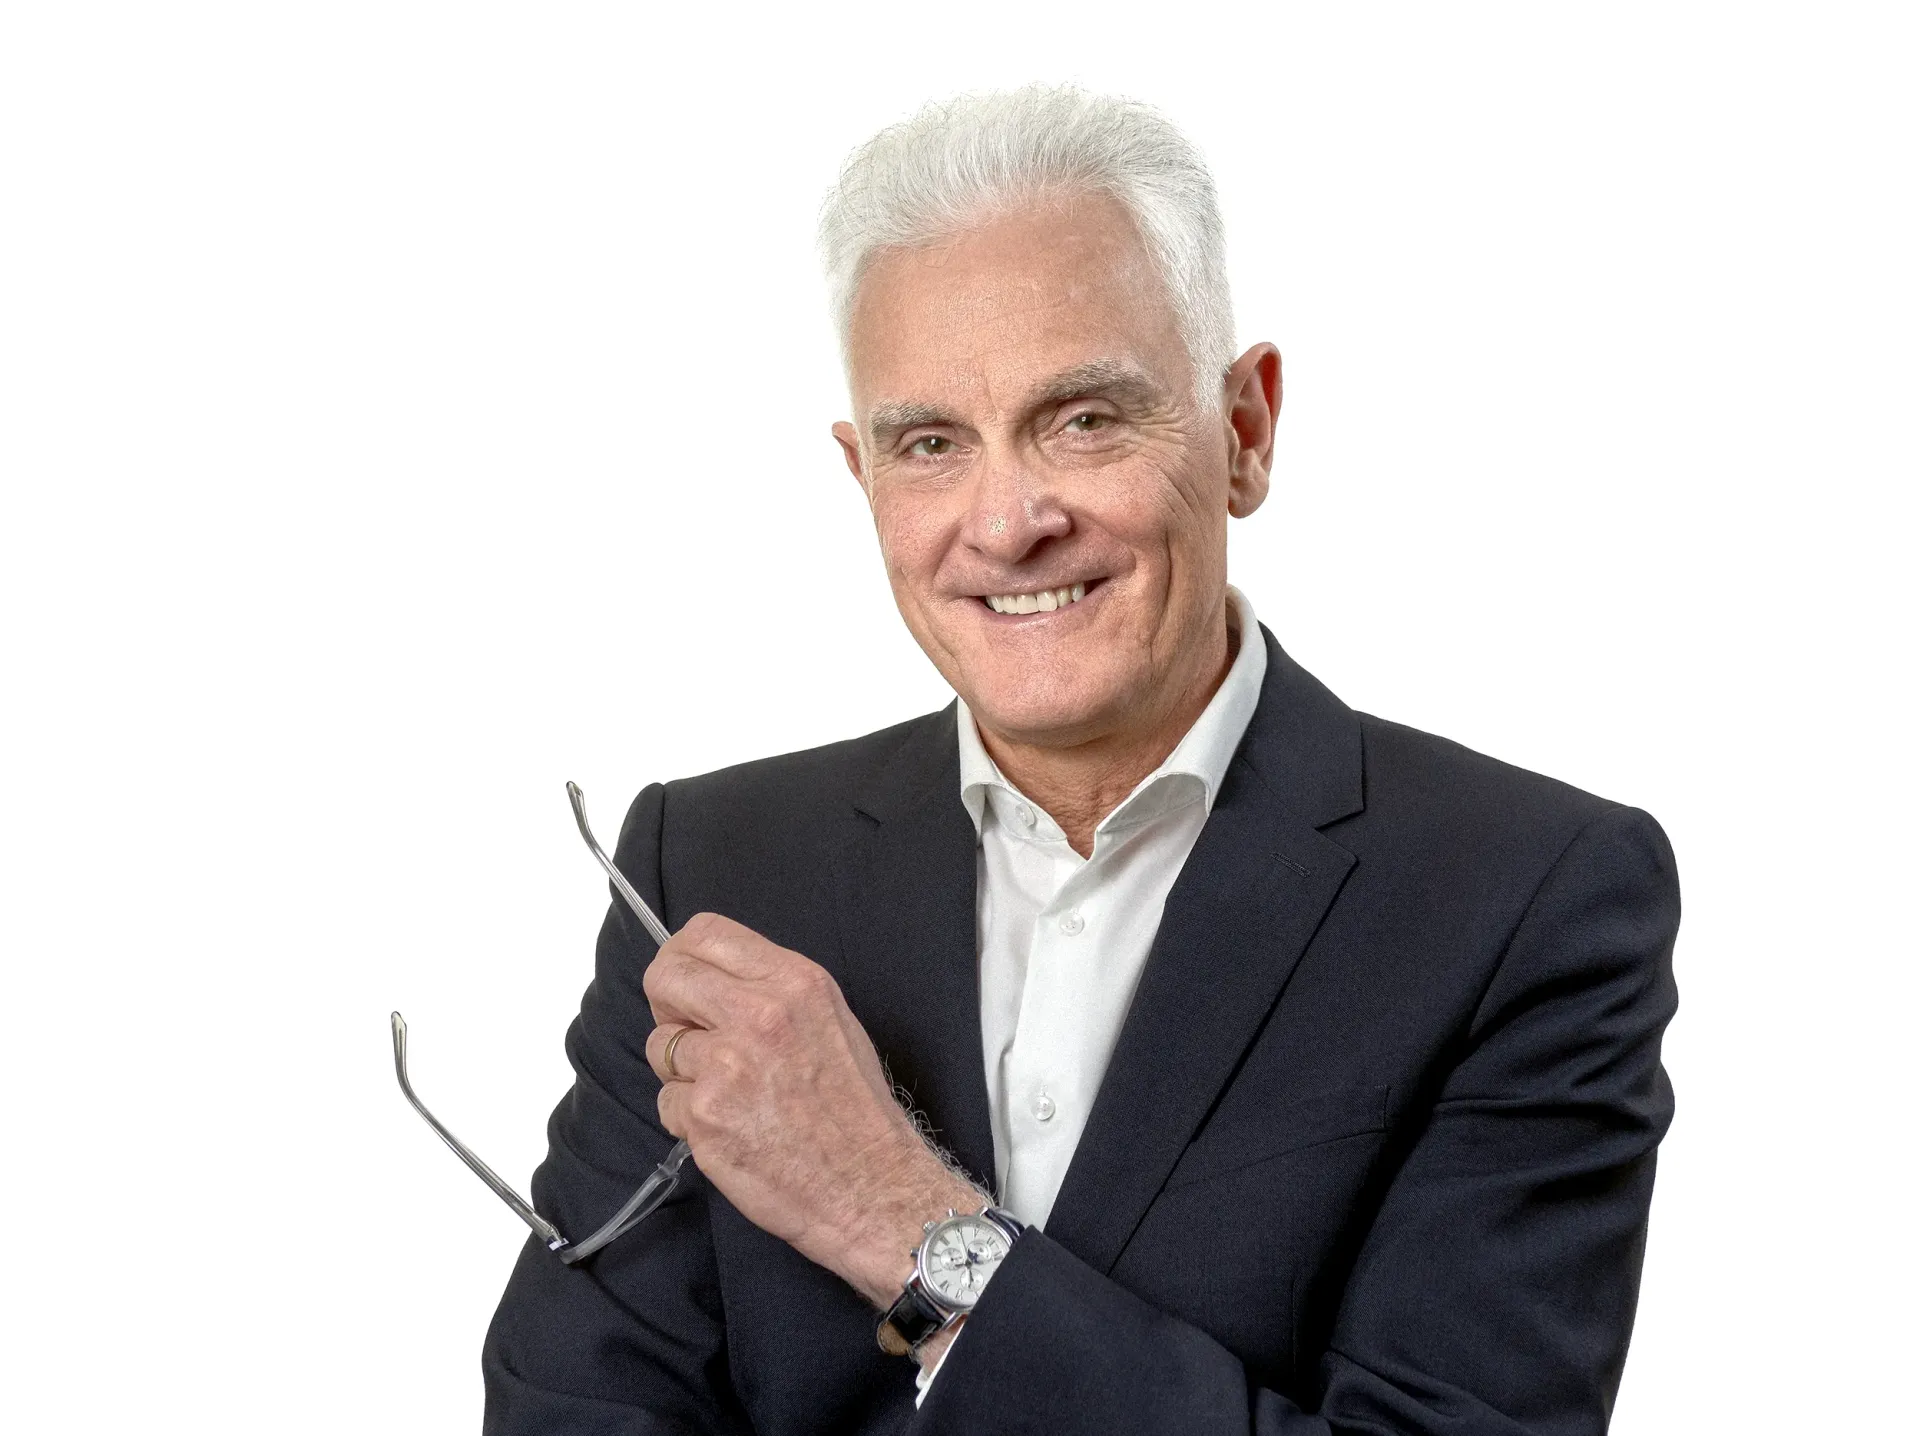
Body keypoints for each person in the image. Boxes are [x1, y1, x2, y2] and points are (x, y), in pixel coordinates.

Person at [481, 85, 1679, 1435]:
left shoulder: (1524, 898)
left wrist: (904, 1223)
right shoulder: (706, 864)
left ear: (1245, 429)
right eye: (930, 443)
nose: (1007, 522)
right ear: (861, 473)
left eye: (1085, 419)